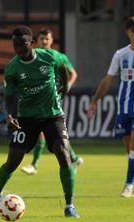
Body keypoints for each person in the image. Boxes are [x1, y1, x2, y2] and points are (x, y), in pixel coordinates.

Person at [0, 25, 79, 218]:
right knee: (13, 162)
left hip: (52, 115)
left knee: (63, 154)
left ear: (31, 43)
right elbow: (10, 96)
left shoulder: (49, 56)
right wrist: (10, 115)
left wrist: (63, 86)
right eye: (15, 46)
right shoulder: (12, 68)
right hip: (27, 119)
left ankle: (70, 205)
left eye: (22, 45)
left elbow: (62, 68)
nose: (19, 50)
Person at [21, 28, 84, 175]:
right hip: (37, 97)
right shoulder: (33, 56)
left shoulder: (58, 56)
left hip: (52, 97)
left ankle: (34, 165)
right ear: (36, 41)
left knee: (43, 129)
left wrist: (67, 86)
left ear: (51, 41)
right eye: (41, 38)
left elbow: (72, 73)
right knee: (53, 133)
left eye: (46, 39)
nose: (44, 41)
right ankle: (74, 158)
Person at [87, 16, 134, 198]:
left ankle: (128, 185)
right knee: (128, 147)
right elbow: (108, 79)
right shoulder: (120, 55)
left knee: (133, 144)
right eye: (133, 30)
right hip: (124, 107)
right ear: (128, 32)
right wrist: (95, 101)